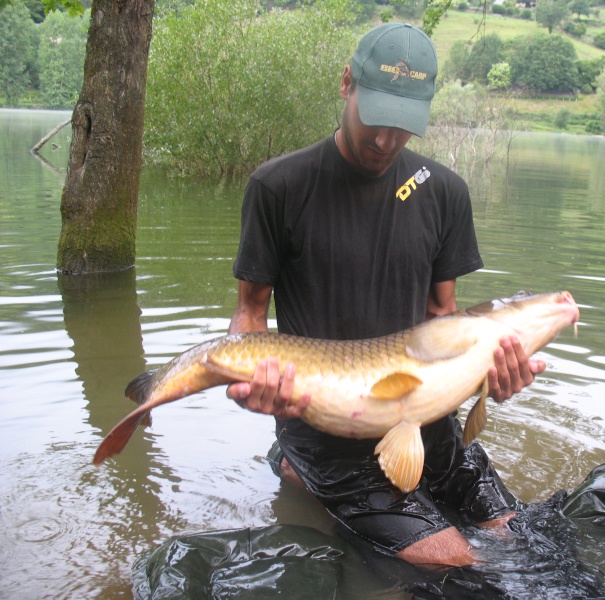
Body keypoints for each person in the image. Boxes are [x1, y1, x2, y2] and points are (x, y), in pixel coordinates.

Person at [227, 22, 545, 569]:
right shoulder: (278, 186)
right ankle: (299, 461)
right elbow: (249, 314)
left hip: (422, 424)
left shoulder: (443, 191)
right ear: (347, 83)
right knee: (456, 561)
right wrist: (253, 380)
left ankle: (305, 471)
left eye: (403, 126)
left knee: (519, 541)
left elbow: (441, 319)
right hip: (324, 427)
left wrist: (486, 383)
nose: (384, 141)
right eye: (375, 118)